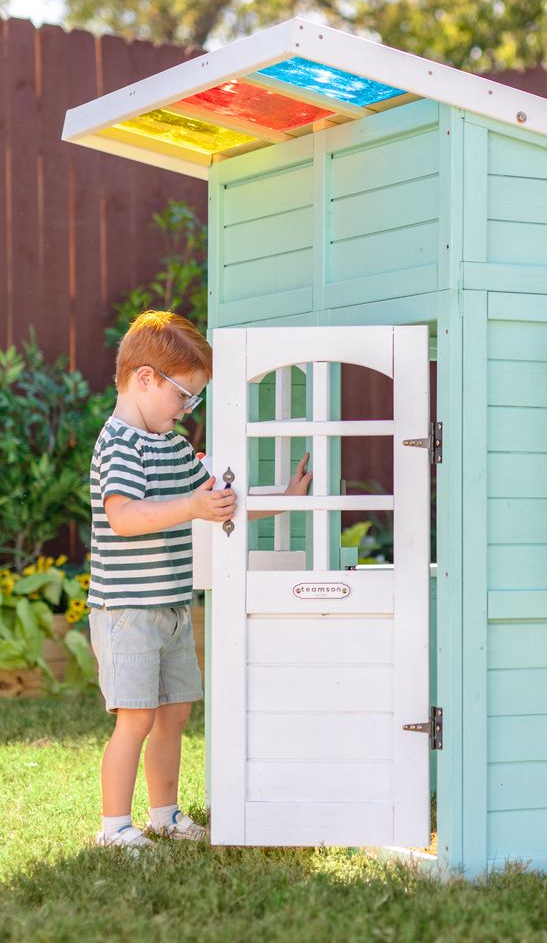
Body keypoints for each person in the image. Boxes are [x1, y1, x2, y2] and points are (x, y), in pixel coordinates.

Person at [88, 310, 311, 848]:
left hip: (170, 607)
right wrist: (190, 504)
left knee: (174, 715)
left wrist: (283, 502)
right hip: (127, 611)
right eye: (184, 396)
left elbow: (218, 503)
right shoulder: (120, 444)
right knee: (135, 720)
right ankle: (114, 828)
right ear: (145, 379)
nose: (188, 409)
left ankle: (164, 814)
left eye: (196, 400)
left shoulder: (174, 446)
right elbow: (124, 517)